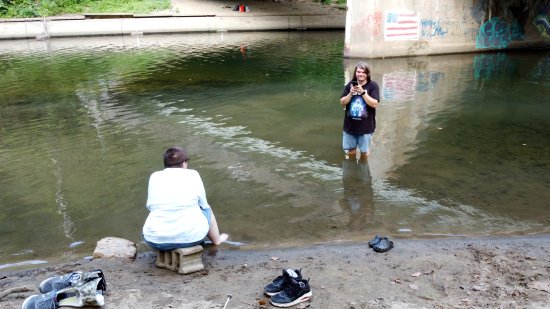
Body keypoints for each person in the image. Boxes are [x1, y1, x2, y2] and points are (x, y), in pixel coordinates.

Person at [142, 147, 228, 251]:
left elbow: (150, 207)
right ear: (184, 163)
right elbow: (203, 204)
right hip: (190, 240)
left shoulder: (154, 176)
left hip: (154, 241)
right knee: (206, 209)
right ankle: (217, 240)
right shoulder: (193, 174)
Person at [339, 62, 380, 161]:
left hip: (365, 127)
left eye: (363, 72)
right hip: (350, 126)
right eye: (358, 71)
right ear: (355, 73)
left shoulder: (373, 86)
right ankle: (353, 171)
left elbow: (374, 104)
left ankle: (363, 171)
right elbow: (342, 102)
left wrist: (362, 93)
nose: (360, 74)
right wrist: (350, 94)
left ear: (367, 74)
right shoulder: (350, 85)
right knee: (351, 151)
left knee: (364, 152)